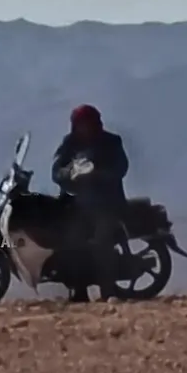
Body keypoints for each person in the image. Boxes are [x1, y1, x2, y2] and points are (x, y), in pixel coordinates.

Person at [51, 104, 130, 301]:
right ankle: (79, 291)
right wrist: (70, 173)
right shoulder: (69, 144)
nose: (84, 128)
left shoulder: (111, 142)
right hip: (77, 205)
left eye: (87, 123)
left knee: (102, 242)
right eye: (80, 124)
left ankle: (108, 290)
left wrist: (97, 174)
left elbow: (121, 168)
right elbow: (56, 171)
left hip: (107, 204)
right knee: (71, 242)